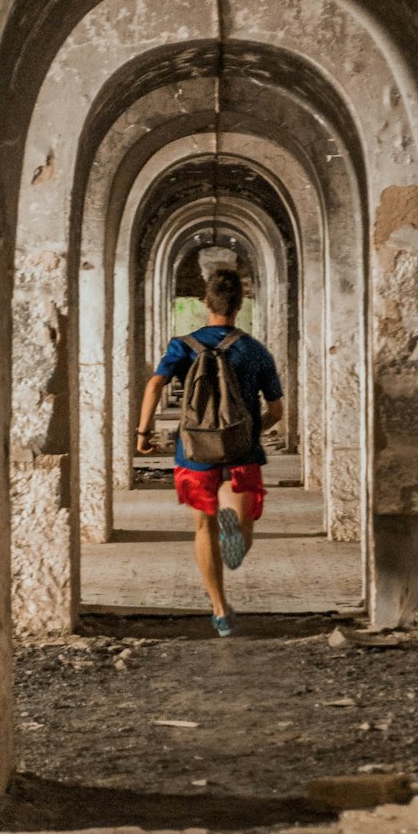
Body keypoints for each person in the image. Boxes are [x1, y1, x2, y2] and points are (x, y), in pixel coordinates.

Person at [135, 268, 284, 636]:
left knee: (203, 525)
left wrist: (144, 431)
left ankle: (219, 609)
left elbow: (156, 383)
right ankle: (235, 537)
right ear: (240, 305)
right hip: (240, 451)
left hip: (195, 450)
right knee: (242, 524)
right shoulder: (255, 350)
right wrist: (251, 431)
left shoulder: (183, 344)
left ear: (206, 303)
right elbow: (278, 411)